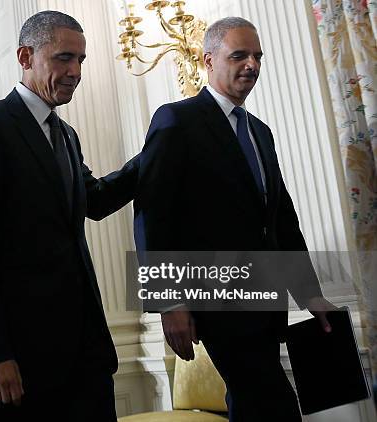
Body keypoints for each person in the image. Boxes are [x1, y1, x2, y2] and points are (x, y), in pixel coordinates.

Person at [134, 17, 336, 422]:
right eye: (239, 55)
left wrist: (310, 294)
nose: (252, 65)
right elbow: (153, 215)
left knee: (252, 401)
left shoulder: (260, 132)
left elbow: (282, 220)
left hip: (264, 298)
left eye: (257, 56)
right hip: (215, 298)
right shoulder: (177, 120)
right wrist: (169, 303)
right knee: (271, 401)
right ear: (208, 60)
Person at [0, 10, 138, 422]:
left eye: (81, 61)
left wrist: (157, 155)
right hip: (16, 359)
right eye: (64, 59)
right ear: (25, 56)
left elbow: (97, 200)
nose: (76, 72)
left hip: (82, 354)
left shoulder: (66, 135)